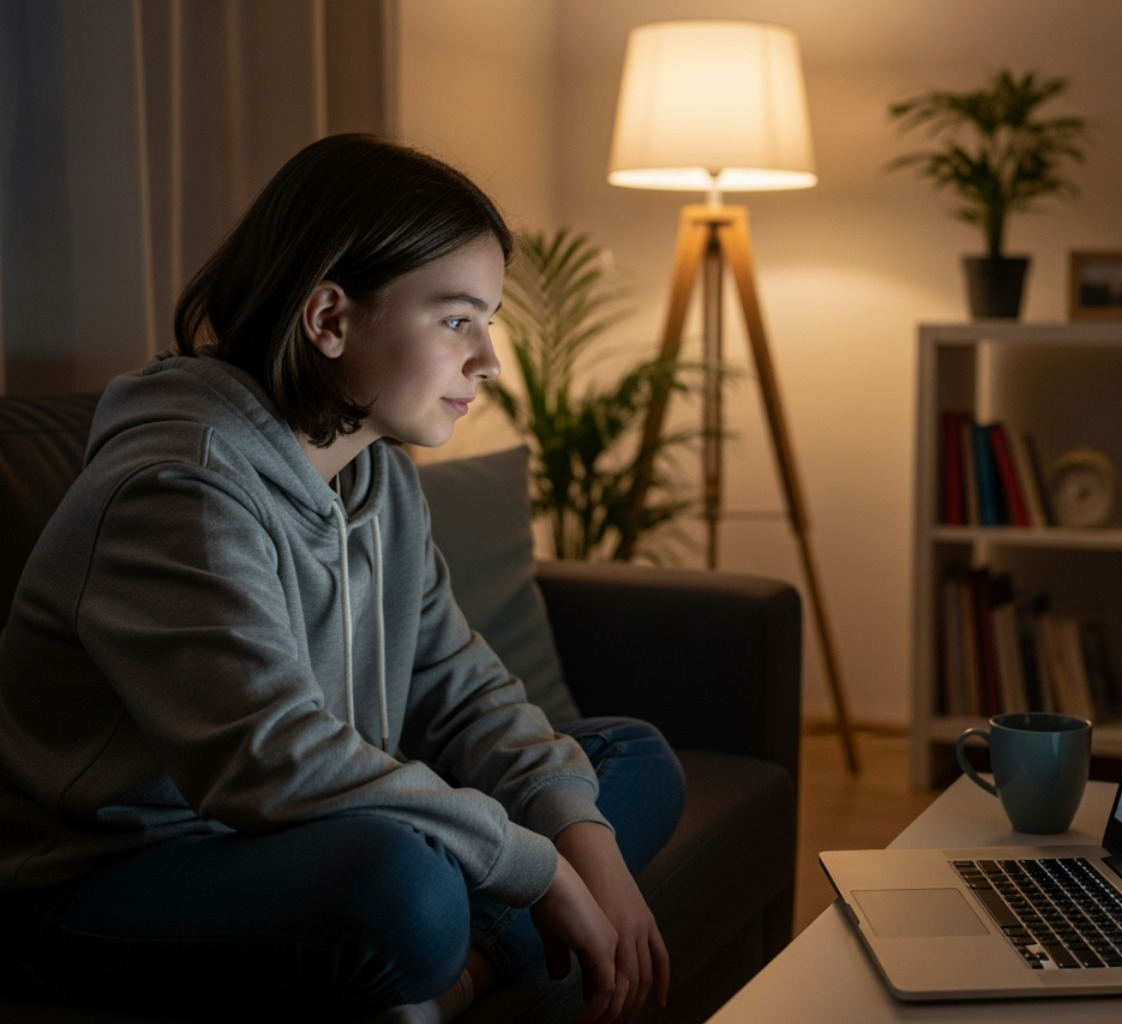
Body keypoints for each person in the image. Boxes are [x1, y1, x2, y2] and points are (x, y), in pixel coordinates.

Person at [0, 134, 684, 1024]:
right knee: (403, 890)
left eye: (490, 321)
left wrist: (573, 839)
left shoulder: (376, 473)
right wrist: (536, 866)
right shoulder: (177, 485)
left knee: (624, 764)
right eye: (455, 319)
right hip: (93, 884)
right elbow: (269, 760)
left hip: (293, 841)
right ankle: (445, 955)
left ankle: (452, 977)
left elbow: (458, 685)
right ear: (328, 319)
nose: (488, 360)